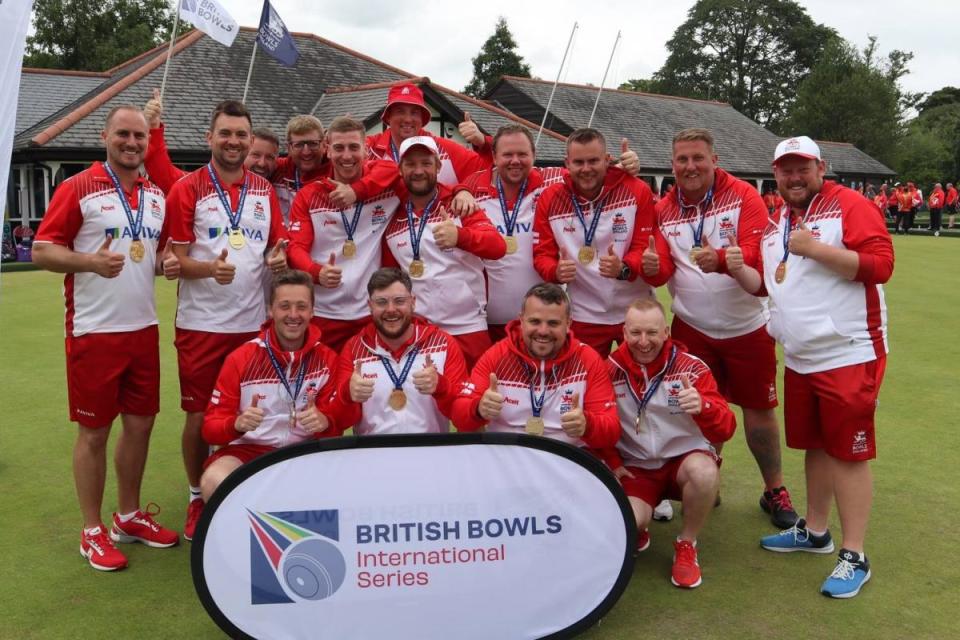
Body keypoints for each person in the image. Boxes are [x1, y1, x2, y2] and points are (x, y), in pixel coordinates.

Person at [32, 105, 181, 571]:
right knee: (94, 433)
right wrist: (89, 263)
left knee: (141, 426)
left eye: (139, 135)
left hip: (142, 329)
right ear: (105, 136)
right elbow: (41, 250)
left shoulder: (156, 195)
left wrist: (166, 264)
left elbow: (152, 256)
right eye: (123, 134)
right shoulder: (77, 187)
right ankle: (92, 530)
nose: (132, 142)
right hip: (94, 332)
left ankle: (129, 516)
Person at [750, 136, 893, 599]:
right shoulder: (777, 223)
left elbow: (880, 265)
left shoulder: (849, 204)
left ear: (820, 167)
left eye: (802, 168)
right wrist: (732, 267)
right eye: (785, 170)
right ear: (775, 174)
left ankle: (855, 555)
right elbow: (769, 284)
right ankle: (815, 532)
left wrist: (817, 250)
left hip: (848, 350)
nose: (794, 177)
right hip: (801, 355)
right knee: (814, 445)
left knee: (847, 453)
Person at [640, 128, 798, 529]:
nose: (690, 166)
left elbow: (756, 254)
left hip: (746, 325)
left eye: (698, 158)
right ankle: (706, 480)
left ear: (714, 159)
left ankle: (774, 488)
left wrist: (725, 260)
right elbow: (660, 270)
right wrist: (652, 266)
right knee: (694, 412)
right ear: (672, 163)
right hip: (692, 327)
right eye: (682, 159)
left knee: (759, 411)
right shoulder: (663, 208)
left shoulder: (743, 194)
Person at [166, 99, 288, 541]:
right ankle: (198, 495)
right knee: (199, 417)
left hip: (253, 322)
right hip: (201, 323)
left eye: (241, 135)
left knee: (248, 413)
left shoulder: (263, 190)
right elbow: (175, 259)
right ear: (210, 138)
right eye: (226, 133)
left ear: (250, 140)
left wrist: (278, 258)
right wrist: (207, 269)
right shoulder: (188, 188)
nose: (233, 141)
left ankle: (240, 486)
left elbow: (274, 247)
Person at [600, 299, 735, 589]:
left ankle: (686, 542)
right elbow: (598, 426)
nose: (644, 342)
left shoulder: (692, 369)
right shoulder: (608, 371)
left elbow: (727, 426)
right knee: (627, 522)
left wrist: (704, 406)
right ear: (623, 332)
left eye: (652, 333)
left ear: (666, 333)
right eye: (636, 333)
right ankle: (640, 527)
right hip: (637, 470)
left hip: (681, 463)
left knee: (705, 471)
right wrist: (613, 462)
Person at [465, 125, 642, 342]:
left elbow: (589, 172)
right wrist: (460, 191)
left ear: (534, 155)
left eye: (522, 154)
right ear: (493, 156)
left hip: (542, 321)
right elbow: (442, 191)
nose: (515, 161)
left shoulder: (554, 180)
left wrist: (625, 164)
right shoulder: (472, 188)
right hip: (487, 321)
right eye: (507, 154)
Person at [199, 270, 343, 501]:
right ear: (270, 309)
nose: (293, 315)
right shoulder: (241, 358)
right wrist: (236, 424)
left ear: (313, 310)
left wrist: (326, 420)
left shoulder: (328, 359)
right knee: (213, 480)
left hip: (304, 451)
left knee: (345, 482)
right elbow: (210, 429)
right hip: (247, 451)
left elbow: (338, 422)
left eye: (301, 306)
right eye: (284, 306)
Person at [533, 127, 658, 357]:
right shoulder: (550, 199)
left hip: (635, 312)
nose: (586, 169)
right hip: (584, 315)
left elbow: (643, 245)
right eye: (579, 162)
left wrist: (623, 268)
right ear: (567, 163)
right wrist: (555, 271)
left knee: (640, 386)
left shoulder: (636, 189)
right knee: (586, 384)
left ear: (607, 160)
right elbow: (541, 255)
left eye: (593, 161)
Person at [382, 136, 506, 367]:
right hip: (418, 331)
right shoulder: (393, 216)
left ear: (438, 167)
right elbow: (391, 276)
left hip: (467, 326)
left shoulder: (459, 205)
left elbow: (497, 246)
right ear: (400, 169)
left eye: (426, 163)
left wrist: (460, 236)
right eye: (410, 164)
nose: (418, 171)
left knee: (472, 399)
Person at [452, 283, 619, 451]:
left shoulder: (587, 359)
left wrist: (587, 424)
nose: (543, 331)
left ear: (568, 324)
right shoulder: (496, 356)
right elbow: (459, 416)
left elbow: (611, 433)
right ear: (521, 320)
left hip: (567, 464)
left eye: (553, 323)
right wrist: (478, 408)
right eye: (535, 321)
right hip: (507, 462)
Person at [287, 116, 402, 352]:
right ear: (327, 150)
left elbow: (398, 169)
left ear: (367, 150)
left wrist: (356, 191)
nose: (347, 156)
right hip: (323, 312)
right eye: (339, 148)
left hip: (372, 313)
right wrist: (316, 273)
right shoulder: (310, 194)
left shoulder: (386, 188)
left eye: (353, 147)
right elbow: (296, 248)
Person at [332, 268, 468, 435]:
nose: (390, 309)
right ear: (370, 306)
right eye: (381, 302)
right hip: (372, 454)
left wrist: (442, 387)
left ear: (413, 302)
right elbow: (339, 421)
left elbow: (462, 416)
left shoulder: (443, 343)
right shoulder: (354, 349)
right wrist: (347, 396)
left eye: (399, 301)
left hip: (430, 451)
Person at [141, 89, 281, 191]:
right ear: (209, 138)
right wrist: (154, 128)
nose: (262, 163)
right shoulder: (192, 185)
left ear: (250, 141)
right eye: (256, 155)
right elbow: (163, 172)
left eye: (269, 157)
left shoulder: (267, 192)